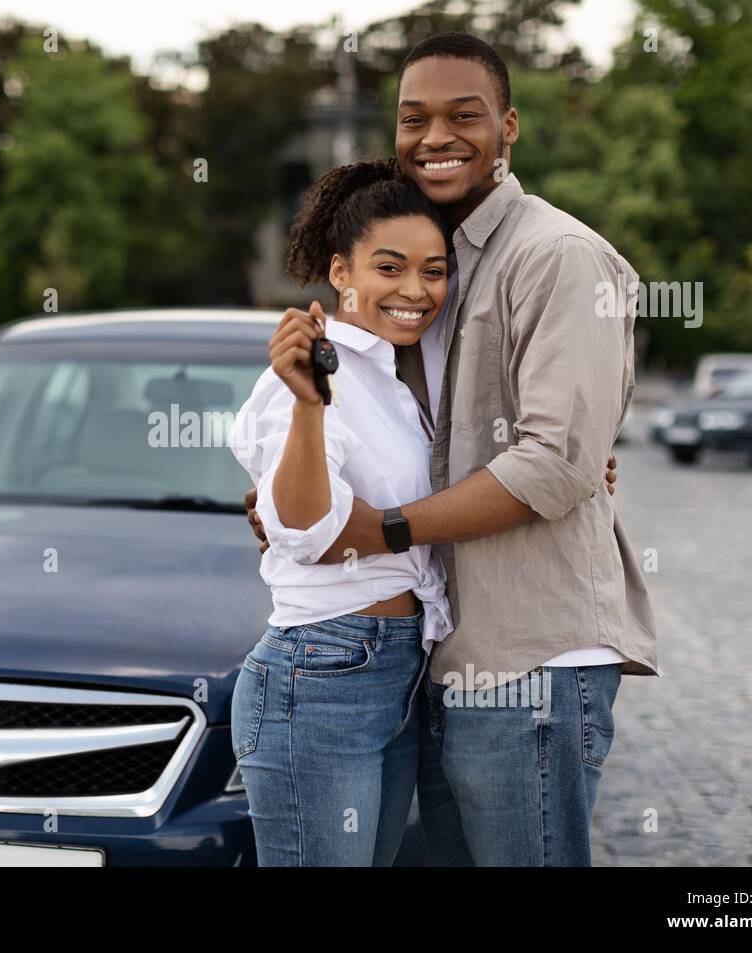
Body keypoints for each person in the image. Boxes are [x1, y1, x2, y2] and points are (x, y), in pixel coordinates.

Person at [244, 32, 660, 866]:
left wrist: (384, 528)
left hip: (533, 656)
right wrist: (290, 487)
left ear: (508, 126)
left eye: (463, 115)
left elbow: (554, 462)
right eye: (414, 117)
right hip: (444, 660)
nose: (436, 136)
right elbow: (438, 440)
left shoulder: (559, 256)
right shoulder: (447, 264)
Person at [228, 159, 453, 866]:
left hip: (398, 672)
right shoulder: (311, 373)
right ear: (341, 272)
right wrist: (307, 404)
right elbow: (299, 529)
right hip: (321, 675)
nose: (415, 290)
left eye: (434, 270)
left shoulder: (399, 380)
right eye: (389, 268)